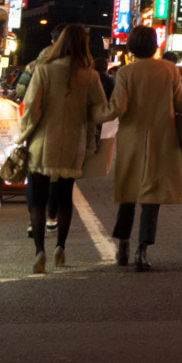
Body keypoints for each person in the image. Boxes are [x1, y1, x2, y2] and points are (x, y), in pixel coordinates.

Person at [19, 24, 107, 272]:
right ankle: (61, 247)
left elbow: (31, 107)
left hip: (42, 143)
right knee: (65, 197)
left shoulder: (44, 70)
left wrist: (24, 135)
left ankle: (39, 252)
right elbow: (100, 110)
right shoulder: (90, 75)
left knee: (38, 200)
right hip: (73, 144)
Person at [108, 25, 182, 272]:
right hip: (162, 137)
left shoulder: (125, 72)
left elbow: (118, 107)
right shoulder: (169, 70)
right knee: (152, 195)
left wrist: (95, 115)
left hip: (132, 137)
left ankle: (123, 243)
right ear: (155, 45)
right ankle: (142, 250)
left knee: (128, 192)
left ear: (131, 47)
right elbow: (181, 103)